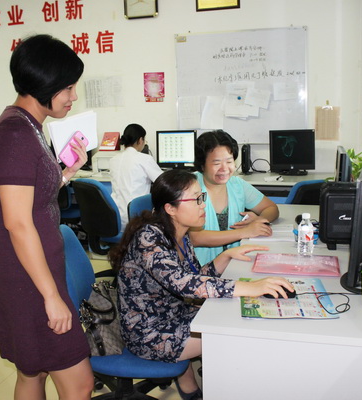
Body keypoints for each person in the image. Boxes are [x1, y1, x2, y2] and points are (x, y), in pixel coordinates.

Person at [109, 169, 293, 400]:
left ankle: (192, 389)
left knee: (235, 314)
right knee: (236, 334)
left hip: (174, 312)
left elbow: (194, 276)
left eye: (202, 197)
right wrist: (252, 287)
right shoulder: (149, 238)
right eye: (196, 199)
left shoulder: (179, 232)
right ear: (170, 209)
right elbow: (183, 284)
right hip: (148, 332)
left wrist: (225, 256)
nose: (203, 205)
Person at [0, 34, 94, 399]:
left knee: (33, 372)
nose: (73, 97)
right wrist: (51, 296)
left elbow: (32, 198)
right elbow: (17, 222)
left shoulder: (27, 125)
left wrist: (67, 173)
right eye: (68, 88)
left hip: (33, 272)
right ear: (46, 84)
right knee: (80, 384)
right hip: (32, 280)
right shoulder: (14, 134)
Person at [189, 129, 280, 265]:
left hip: (234, 262)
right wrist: (246, 231)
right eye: (216, 163)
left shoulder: (237, 184)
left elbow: (271, 208)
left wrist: (259, 220)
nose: (224, 169)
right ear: (202, 165)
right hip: (201, 267)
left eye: (229, 161)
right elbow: (195, 238)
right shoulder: (189, 188)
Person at [110, 123, 162, 230]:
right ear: (140, 140)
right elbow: (163, 181)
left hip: (115, 220)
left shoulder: (113, 160)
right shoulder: (144, 159)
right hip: (136, 219)